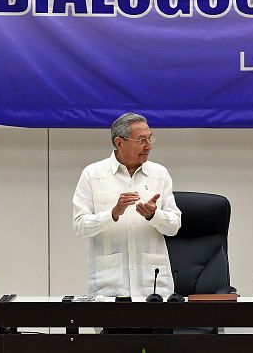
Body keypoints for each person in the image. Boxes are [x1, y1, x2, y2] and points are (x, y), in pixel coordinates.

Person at [73, 112, 181, 298]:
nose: (148, 146)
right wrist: (112, 214)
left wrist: (153, 215)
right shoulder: (93, 174)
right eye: (141, 140)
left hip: (154, 287)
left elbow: (174, 226)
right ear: (119, 142)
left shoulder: (159, 174)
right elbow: (80, 226)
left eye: (150, 139)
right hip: (109, 286)